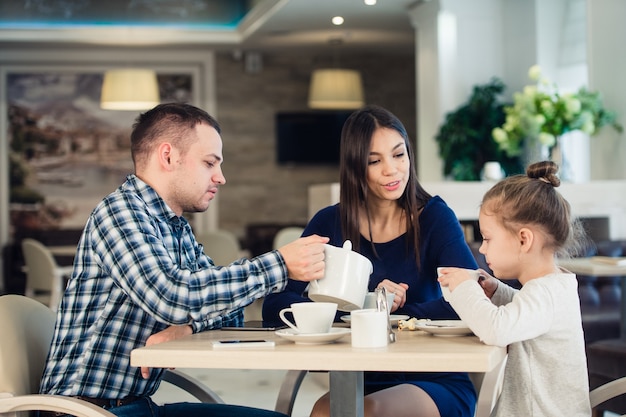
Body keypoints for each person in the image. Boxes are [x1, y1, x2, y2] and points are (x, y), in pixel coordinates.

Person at [38, 102, 329, 417]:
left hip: (136, 408)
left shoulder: (176, 228)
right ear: (168, 156)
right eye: (209, 163)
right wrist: (280, 264)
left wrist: (187, 328)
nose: (221, 177)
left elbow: (229, 314)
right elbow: (171, 296)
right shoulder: (120, 213)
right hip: (84, 412)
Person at [263, 105, 479, 417]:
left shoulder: (435, 218)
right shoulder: (329, 223)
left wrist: (393, 312)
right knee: (324, 412)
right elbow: (276, 306)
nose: (392, 170)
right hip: (358, 377)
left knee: (368, 412)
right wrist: (361, 308)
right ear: (354, 167)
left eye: (399, 155)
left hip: (431, 377)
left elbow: (470, 300)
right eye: (374, 161)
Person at [438, 161, 591, 416]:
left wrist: (464, 287)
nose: (483, 249)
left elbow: (496, 330)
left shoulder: (545, 293)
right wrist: (498, 292)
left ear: (523, 239)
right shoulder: (551, 288)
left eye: (487, 239)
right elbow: (530, 313)